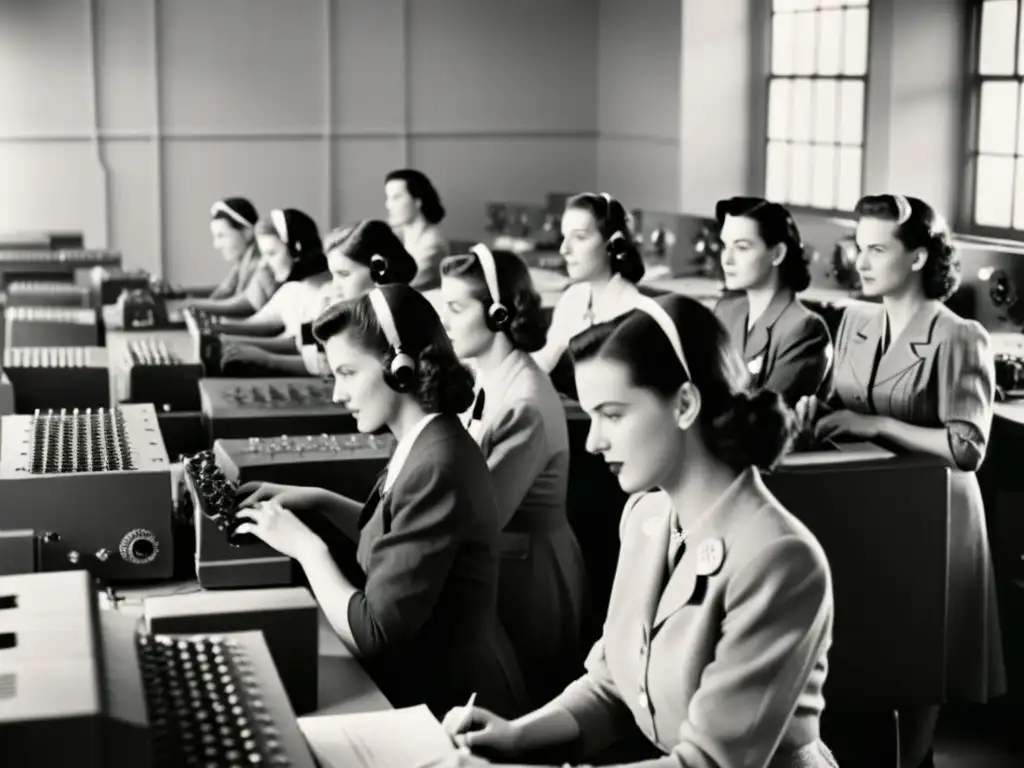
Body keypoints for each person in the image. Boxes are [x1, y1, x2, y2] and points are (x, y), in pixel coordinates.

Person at [441, 293, 838, 768]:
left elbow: (710, 764)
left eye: (612, 414)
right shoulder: (646, 517)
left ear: (685, 403)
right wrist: (516, 736)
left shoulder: (779, 558)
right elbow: (613, 682)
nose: (592, 441)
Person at [234, 284, 528, 718]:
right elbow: (400, 538)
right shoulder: (426, 439)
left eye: (348, 373)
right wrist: (322, 501)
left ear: (400, 368)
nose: (337, 393)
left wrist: (305, 548)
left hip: (456, 704)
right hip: (435, 680)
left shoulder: (437, 465)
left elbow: (374, 631)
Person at [796, 193, 1006, 768]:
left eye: (877, 249)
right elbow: (839, 397)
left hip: (937, 509)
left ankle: (916, 760)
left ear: (917, 257)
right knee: (877, 642)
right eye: (858, 247)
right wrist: (814, 413)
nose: (860, 262)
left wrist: (876, 423)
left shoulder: (959, 335)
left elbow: (967, 448)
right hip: (873, 502)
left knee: (923, 650)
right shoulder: (857, 320)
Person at [440, 244, 588, 706]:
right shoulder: (486, 375)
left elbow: (481, 516)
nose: (446, 320)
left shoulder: (523, 402)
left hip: (529, 581)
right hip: (507, 563)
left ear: (499, 314)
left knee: (523, 710)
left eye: (456, 308)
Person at [713, 197, 833, 406]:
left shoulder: (805, 329)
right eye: (725, 245)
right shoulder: (726, 310)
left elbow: (765, 418)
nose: (727, 259)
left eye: (741, 247)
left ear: (777, 254)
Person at [532, 192, 645, 375]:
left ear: (612, 242)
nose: (564, 249)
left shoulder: (630, 310)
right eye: (564, 237)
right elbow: (542, 362)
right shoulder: (574, 297)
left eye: (579, 237)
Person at [296, 220, 420, 376]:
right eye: (333, 275)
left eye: (343, 274)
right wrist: (313, 316)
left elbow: (323, 368)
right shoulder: (361, 311)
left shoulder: (388, 319)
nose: (334, 286)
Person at [215, 208, 330, 373]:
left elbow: (312, 359)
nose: (264, 264)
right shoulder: (293, 288)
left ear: (297, 250)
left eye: (271, 253)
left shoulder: (326, 294)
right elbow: (258, 324)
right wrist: (220, 331)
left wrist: (264, 358)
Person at [187, 197, 277, 316]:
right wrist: (183, 295)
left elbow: (245, 303)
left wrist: (188, 304)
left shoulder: (262, 263)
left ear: (248, 232)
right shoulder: (242, 262)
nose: (216, 245)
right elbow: (224, 292)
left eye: (222, 236)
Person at [385, 168, 449, 291]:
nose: (388, 205)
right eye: (388, 198)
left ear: (417, 201)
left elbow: (398, 288)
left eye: (396, 198)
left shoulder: (434, 243)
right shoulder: (396, 236)